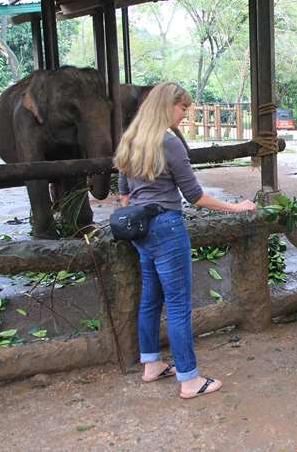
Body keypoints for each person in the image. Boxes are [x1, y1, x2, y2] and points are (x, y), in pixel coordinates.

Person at [114, 82, 255, 399]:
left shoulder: (129, 141)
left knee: (150, 299)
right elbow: (195, 196)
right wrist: (235, 207)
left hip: (139, 230)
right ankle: (189, 379)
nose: (185, 114)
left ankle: (151, 363)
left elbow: (124, 195)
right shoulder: (169, 143)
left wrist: (138, 222)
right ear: (168, 106)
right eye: (183, 108)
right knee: (178, 307)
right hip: (167, 228)